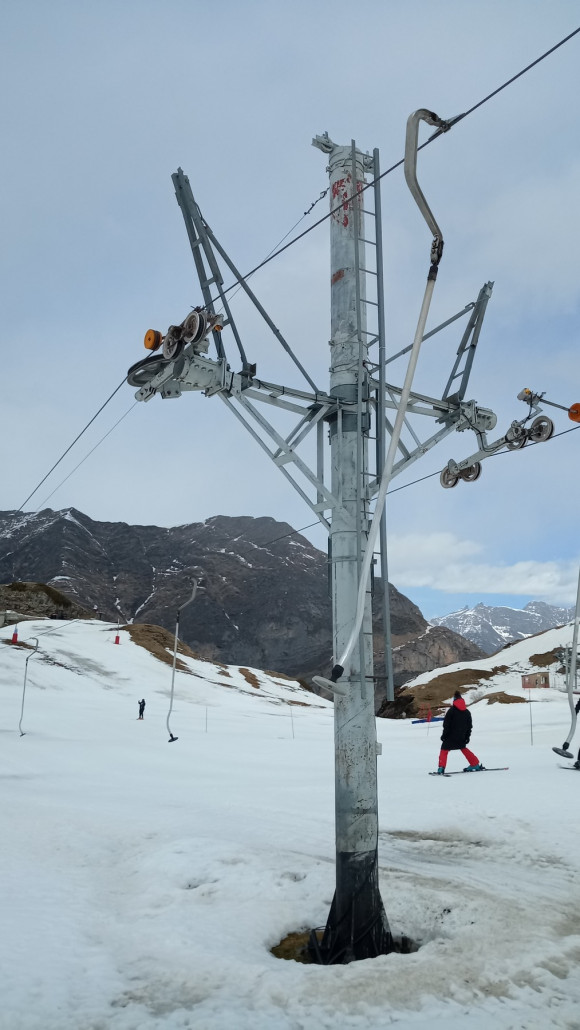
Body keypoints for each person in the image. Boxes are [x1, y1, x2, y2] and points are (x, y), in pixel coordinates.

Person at [437, 690, 483, 773]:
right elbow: (469, 727)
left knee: (444, 751)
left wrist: (444, 735)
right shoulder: (467, 712)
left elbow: (446, 725)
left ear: (454, 700)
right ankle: (475, 764)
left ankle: (441, 768)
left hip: (450, 736)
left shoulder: (451, 711)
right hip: (461, 736)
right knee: (463, 748)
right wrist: (467, 737)